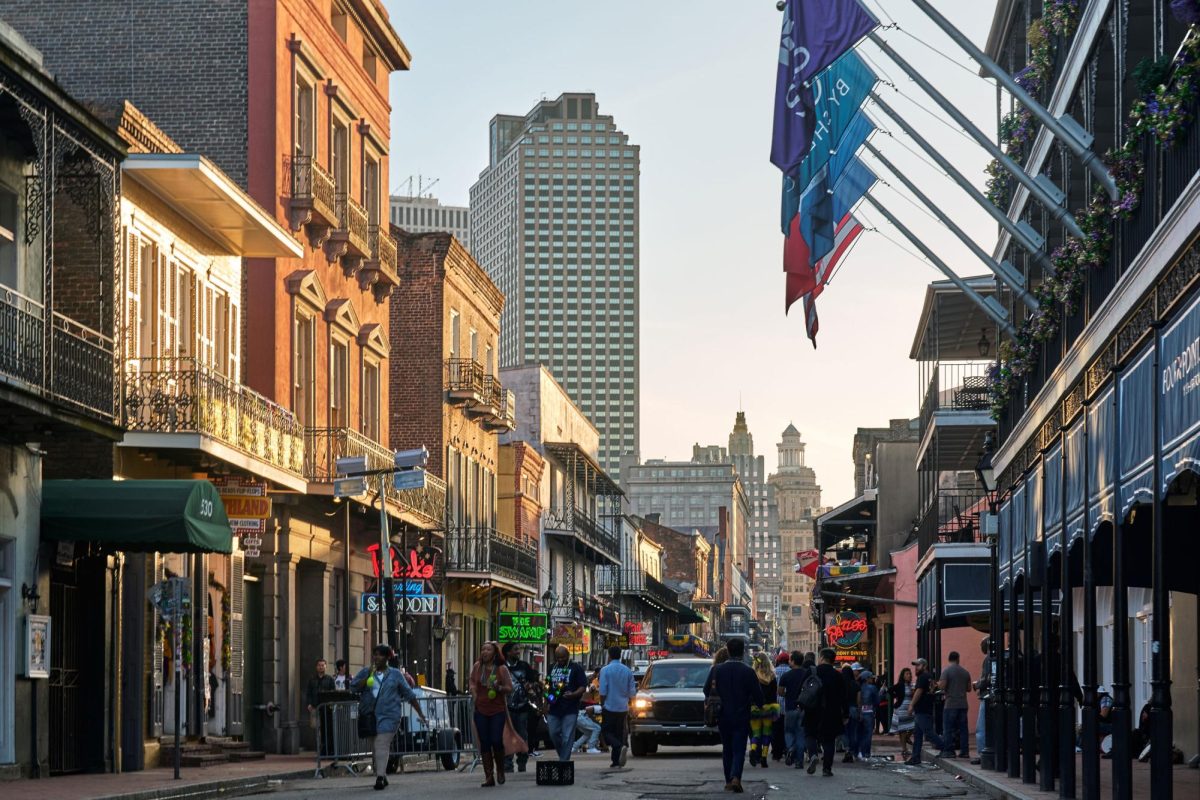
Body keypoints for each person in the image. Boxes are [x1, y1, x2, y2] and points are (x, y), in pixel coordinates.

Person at [352, 644, 428, 791]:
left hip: (390, 715)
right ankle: (383, 775)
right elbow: (354, 687)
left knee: (382, 743)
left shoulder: (395, 674)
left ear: (387, 657)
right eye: (374, 654)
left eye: (380, 654)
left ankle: (379, 777)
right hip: (370, 715)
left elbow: (409, 694)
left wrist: (421, 713)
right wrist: (367, 676)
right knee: (375, 747)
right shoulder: (366, 672)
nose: (376, 657)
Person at [704, 637, 763, 793]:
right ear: (743, 651)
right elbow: (759, 697)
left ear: (728, 650)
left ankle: (728, 781)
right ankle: (736, 776)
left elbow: (706, 690)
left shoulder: (716, 670)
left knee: (727, 749)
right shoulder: (748, 671)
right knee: (739, 749)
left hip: (722, 715)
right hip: (742, 716)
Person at [469, 641, 514, 787]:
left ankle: (500, 769)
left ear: (495, 653)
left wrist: (499, 687)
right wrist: (474, 692)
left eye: (488, 649)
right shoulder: (477, 667)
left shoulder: (501, 669)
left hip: (497, 710)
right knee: (485, 742)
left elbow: (509, 687)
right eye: (483, 649)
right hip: (481, 709)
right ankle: (489, 776)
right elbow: (472, 682)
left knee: (496, 740)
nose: (484, 652)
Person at [802, 648, 848, 777]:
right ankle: (827, 769)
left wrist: (800, 704)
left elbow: (802, 689)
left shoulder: (812, 671)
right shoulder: (838, 675)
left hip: (812, 710)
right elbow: (844, 696)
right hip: (831, 712)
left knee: (810, 735)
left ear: (821, 658)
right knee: (829, 741)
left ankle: (813, 755)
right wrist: (846, 714)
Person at [545, 645, 589, 762]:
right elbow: (547, 685)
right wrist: (546, 701)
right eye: (558, 658)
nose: (560, 660)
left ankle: (564, 761)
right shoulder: (551, 667)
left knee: (567, 737)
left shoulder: (575, 668)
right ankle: (563, 756)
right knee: (553, 734)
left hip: (570, 708)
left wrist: (574, 694)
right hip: (554, 707)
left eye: (563, 657)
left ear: (568, 655)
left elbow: (583, 686)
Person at [501, 643, 539, 773]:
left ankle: (522, 761)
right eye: (515, 649)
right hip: (506, 708)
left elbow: (533, 681)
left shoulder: (524, 666)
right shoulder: (502, 667)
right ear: (508, 653)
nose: (518, 652)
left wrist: (530, 686)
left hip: (522, 707)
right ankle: (507, 763)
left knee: (522, 735)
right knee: (507, 736)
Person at [599, 645, 638, 768]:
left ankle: (618, 747)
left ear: (609, 656)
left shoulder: (605, 670)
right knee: (618, 733)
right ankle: (615, 761)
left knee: (606, 732)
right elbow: (632, 692)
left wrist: (602, 703)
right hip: (622, 708)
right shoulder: (627, 670)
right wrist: (632, 707)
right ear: (620, 655)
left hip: (609, 707)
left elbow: (603, 691)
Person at [905, 657, 945, 765]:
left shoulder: (923, 677)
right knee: (918, 735)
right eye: (915, 666)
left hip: (923, 709)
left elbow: (919, 691)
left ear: (924, 666)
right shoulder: (928, 677)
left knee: (928, 733)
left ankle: (946, 748)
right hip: (923, 709)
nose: (916, 668)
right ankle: (915, 757)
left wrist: (911, 705)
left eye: (918, 665)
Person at [777, 650, 810, 767]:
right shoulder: (807, 674)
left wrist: (788, 695)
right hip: (803, 708)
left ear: (793, 661)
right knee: (800, 733)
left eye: (790, 659)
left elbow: (780, 692)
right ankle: (799, 761)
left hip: (790, 707)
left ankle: (791, 747)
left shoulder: (786, 675)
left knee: (789, 731)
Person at [939, 650, 972, 759]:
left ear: (949, 659)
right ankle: (965, 751)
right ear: (958, 659)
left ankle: (949, 751)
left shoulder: (946, 671)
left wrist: (939, 685)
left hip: (951, 704)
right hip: (963, 704)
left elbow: (942, 686)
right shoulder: (965, 672)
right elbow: (969, 689)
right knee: (963, 729)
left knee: (948, 728)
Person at [748, 652, 779, 768]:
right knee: (767, 733)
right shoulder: (771, 676)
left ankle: (753, 749)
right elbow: (774, 694)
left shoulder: (752, 675)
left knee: (755, 733)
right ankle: (764, 757)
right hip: (768, 708)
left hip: (755, 708)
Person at [306, 658, 335, 755]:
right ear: (316, 667)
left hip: (326, 709)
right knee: (316, 730)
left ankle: (326, 750)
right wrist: (309, 704)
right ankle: (319, 749)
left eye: (323, 665)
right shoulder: (312, 680)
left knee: (326, 729)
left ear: (326, 666)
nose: (321, 667)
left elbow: (333, 693)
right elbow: (309, 693)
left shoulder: (330, 679)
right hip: (315, 707)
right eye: (319, 665)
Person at [972, 637, 991, 765]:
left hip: (987, 696)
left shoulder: (988, 659)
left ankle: (982, 753)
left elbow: (985, 679)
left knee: (981, 728)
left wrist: (977, 685)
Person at [891, 667, 915, 758]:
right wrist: (896, 697)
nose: (909, 675)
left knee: (914, 726)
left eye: (910, 674)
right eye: (907, 674)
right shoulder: (900, 685)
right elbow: (890, 690)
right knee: (902, 730)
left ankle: (908, 738)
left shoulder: (911, 685)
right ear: (903, 676)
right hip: (901, 709)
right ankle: (904, 749)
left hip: (910, 709)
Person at [857, 671, 880, 760]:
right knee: (867, 734)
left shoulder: (858, 687)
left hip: (859, 712)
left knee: (859, 733)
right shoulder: (872, 688)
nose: (872, 679)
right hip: (869, 712)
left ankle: (858, 751)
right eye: (871, 678)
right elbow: (877, 701)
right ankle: (866, 753)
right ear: (867, 679)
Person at [841, 664, 860, 762]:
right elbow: (858, 699)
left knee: (844, 732)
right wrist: (859, 710)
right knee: (853, 732)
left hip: (843, 710)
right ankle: (852, 752)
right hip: (853, 709)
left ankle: (847, 750)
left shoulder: (840, 684)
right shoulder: (856, 684)